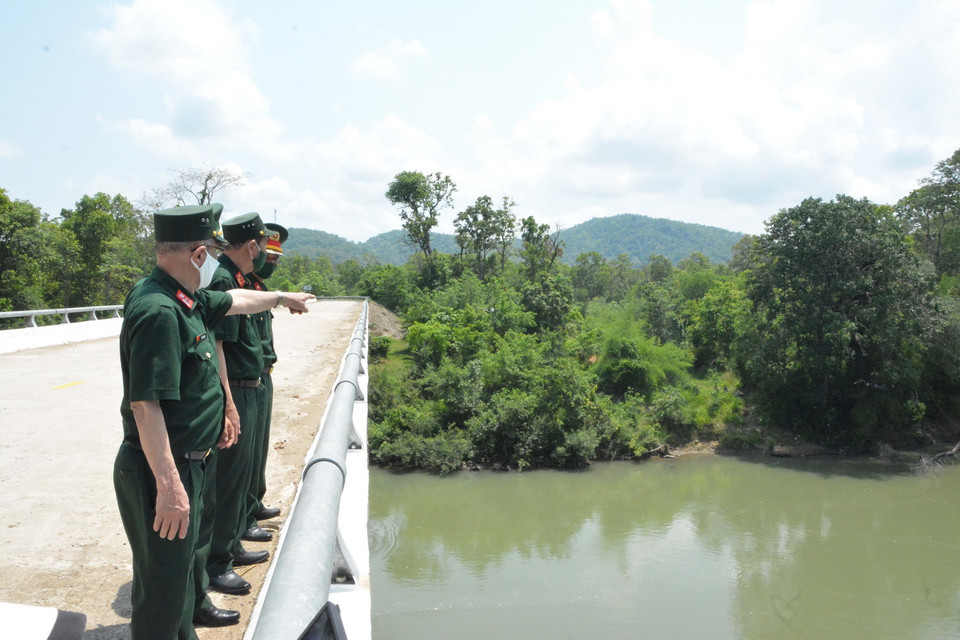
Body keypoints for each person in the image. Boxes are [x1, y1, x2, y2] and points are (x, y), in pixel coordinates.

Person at [114, 204, 314, 640]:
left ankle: (191, 620)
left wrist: (281, 298)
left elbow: (237, 300)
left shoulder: (185, 297)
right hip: (166, 470)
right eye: (214, 253)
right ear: (199, 255)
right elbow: (145, 407)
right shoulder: (158, 311)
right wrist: (169, 487)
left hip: (194, 459)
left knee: (187, 566)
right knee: (165, 587)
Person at [202, 212, 274, 598]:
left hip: (252, 383)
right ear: (251, 245)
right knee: (228, 480)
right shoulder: (226, 281)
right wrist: (229, 403)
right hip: (239, 390)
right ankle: (218, 563)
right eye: (263, 245)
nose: (264, 252)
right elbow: (220, 348)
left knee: (241, 473)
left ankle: (231, 544)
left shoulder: (241, 279)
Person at [246, 222, 288, 530]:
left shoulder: (259, 288)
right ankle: (243, 518)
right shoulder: (244, 287)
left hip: (262, 375)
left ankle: (253, 504)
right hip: (247, 379)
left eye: (276, 259)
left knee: (257, 449)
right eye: (268, 257)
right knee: (244, 454)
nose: (271, 263)